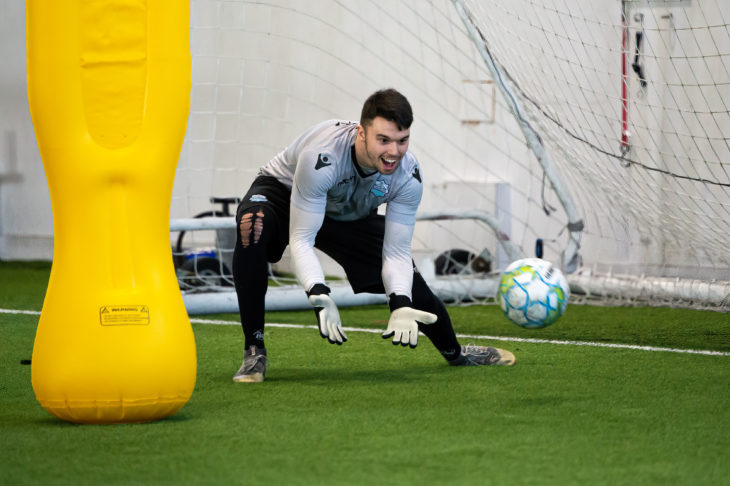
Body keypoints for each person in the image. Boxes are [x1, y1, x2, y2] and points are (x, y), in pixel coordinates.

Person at [231, 88, 515, 383]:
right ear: (361, 133)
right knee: (253, 225)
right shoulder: (322, 156)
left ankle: (456, 353)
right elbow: (303, 237)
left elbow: (396, 253)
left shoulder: (408, 175)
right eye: (383, 140)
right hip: (286, 193)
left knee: (412, 287)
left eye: (402, 140)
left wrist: (401, 301)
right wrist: (318, 291)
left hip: (346, 212)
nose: (393, 152)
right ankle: (254, 350)